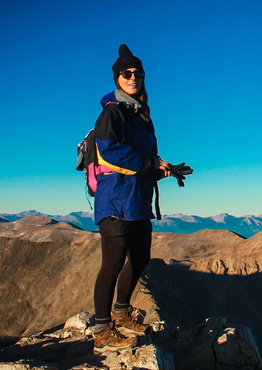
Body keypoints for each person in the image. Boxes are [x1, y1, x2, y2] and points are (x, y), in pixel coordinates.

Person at [91, 44, 191, 353]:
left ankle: (121, 313)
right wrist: (148, 165)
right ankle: (101, 327)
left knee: (141, 257)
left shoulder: (142, 117)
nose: (133, 77)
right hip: (115, 199)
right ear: (117, 78)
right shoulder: (113, 112)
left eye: (138, 73)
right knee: (113, 262)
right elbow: (110, 150)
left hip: (137, 200)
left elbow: (144, 157)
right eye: (127, 73)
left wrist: (164, 168)